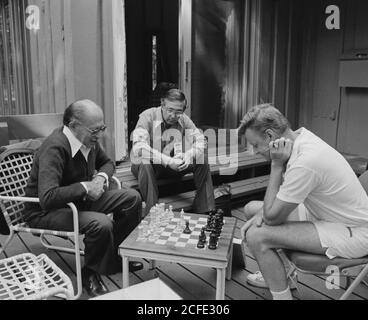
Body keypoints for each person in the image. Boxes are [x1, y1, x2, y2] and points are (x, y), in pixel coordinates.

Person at [238, 104, 368, 300]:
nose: (253, 151)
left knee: (256, 236)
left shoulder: (306, 161)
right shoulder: (300, 137)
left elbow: (272, 217)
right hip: (326, 215)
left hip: (354, 232)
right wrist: (263, 214)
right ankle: (283, 278)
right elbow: (278, 201)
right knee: (251, 209)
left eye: (255, 144)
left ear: (270, 136)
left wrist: (276, 165)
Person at [24, 99, 144, 298]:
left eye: (102, 128)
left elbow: (106, 163)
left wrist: (100, 177)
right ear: (73, 125)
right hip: (46, 211)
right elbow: (47, 197)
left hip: (77, 202)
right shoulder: (54, 148)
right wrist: (84, 187)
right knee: (101, 223)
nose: (100, 135)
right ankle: (90, 272)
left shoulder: (87, 140)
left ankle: (114, 258)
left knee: (132, 198)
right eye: (95, 130)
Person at [131, 88, 215, 215]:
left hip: (173, 166)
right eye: (170, 110)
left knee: (201, 157)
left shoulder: (184, 119)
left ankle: (205, 209)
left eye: (178, 112)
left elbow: (201, 141)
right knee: (144, 160)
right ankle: (152, 212)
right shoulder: (147, 116)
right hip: (151, 167)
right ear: (162, 105)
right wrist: (168, 161)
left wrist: (188, 155)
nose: (173, 116)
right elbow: (138, 147)